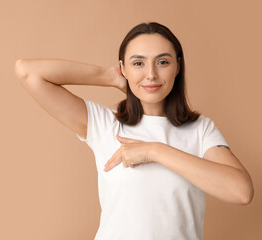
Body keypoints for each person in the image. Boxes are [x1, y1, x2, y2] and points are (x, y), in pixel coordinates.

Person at [14, 22, 254, 240]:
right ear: (123, 68)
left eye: (163, 61)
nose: (151, 74)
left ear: (178, 66)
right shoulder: (104, 124)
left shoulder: (201, 130)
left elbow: (241, 192)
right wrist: (107, 76)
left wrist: (155, 151)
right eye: (138, 63)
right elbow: (28, 72)